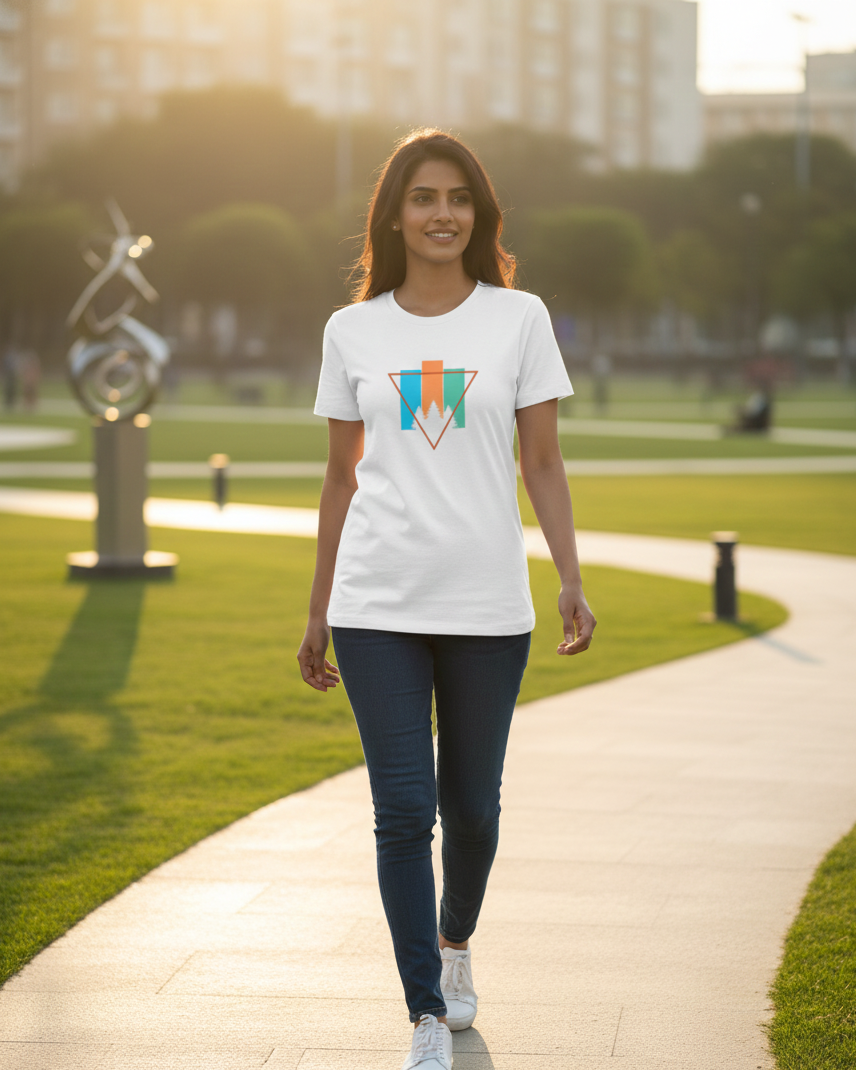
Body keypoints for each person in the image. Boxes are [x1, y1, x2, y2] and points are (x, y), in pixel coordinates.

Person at [297, 129, 596, 1070]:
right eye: (423, 197)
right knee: (402, 813)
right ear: (393, 213)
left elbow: (540, 462)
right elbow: (340, 480)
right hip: (376, 603)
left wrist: (570, 578)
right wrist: (316, 610)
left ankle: (456, 942)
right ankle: (425, 1011)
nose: (441, 214)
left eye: (458, 198)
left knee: (471, 812)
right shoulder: (353, 332)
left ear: (480, 213)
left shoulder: (520, 318)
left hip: (486, 608)